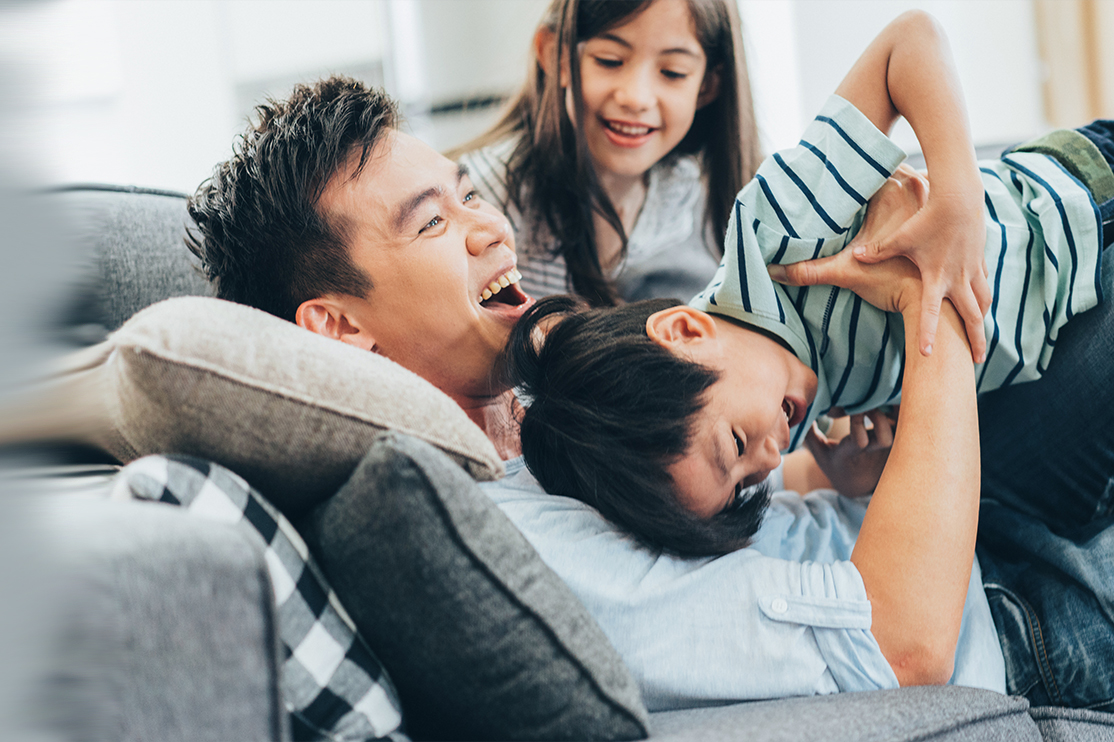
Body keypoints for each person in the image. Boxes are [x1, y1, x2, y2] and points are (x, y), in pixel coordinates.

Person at [501, 5, 1111, 553]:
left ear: (685, 330)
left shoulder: (774, 232)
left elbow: (910, 41)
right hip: (1054, 342)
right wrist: (843, 477)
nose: (766, 462)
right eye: (745, 486)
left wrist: (956, 199)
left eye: (738, 448)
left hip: (1078, 218)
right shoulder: (773, 410)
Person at [451, 0, 761, 306]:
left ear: (707, 86)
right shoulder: (484, 197)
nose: (636, 98)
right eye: (610, 60)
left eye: (673, 72)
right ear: (555, 55)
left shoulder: (697, 192)